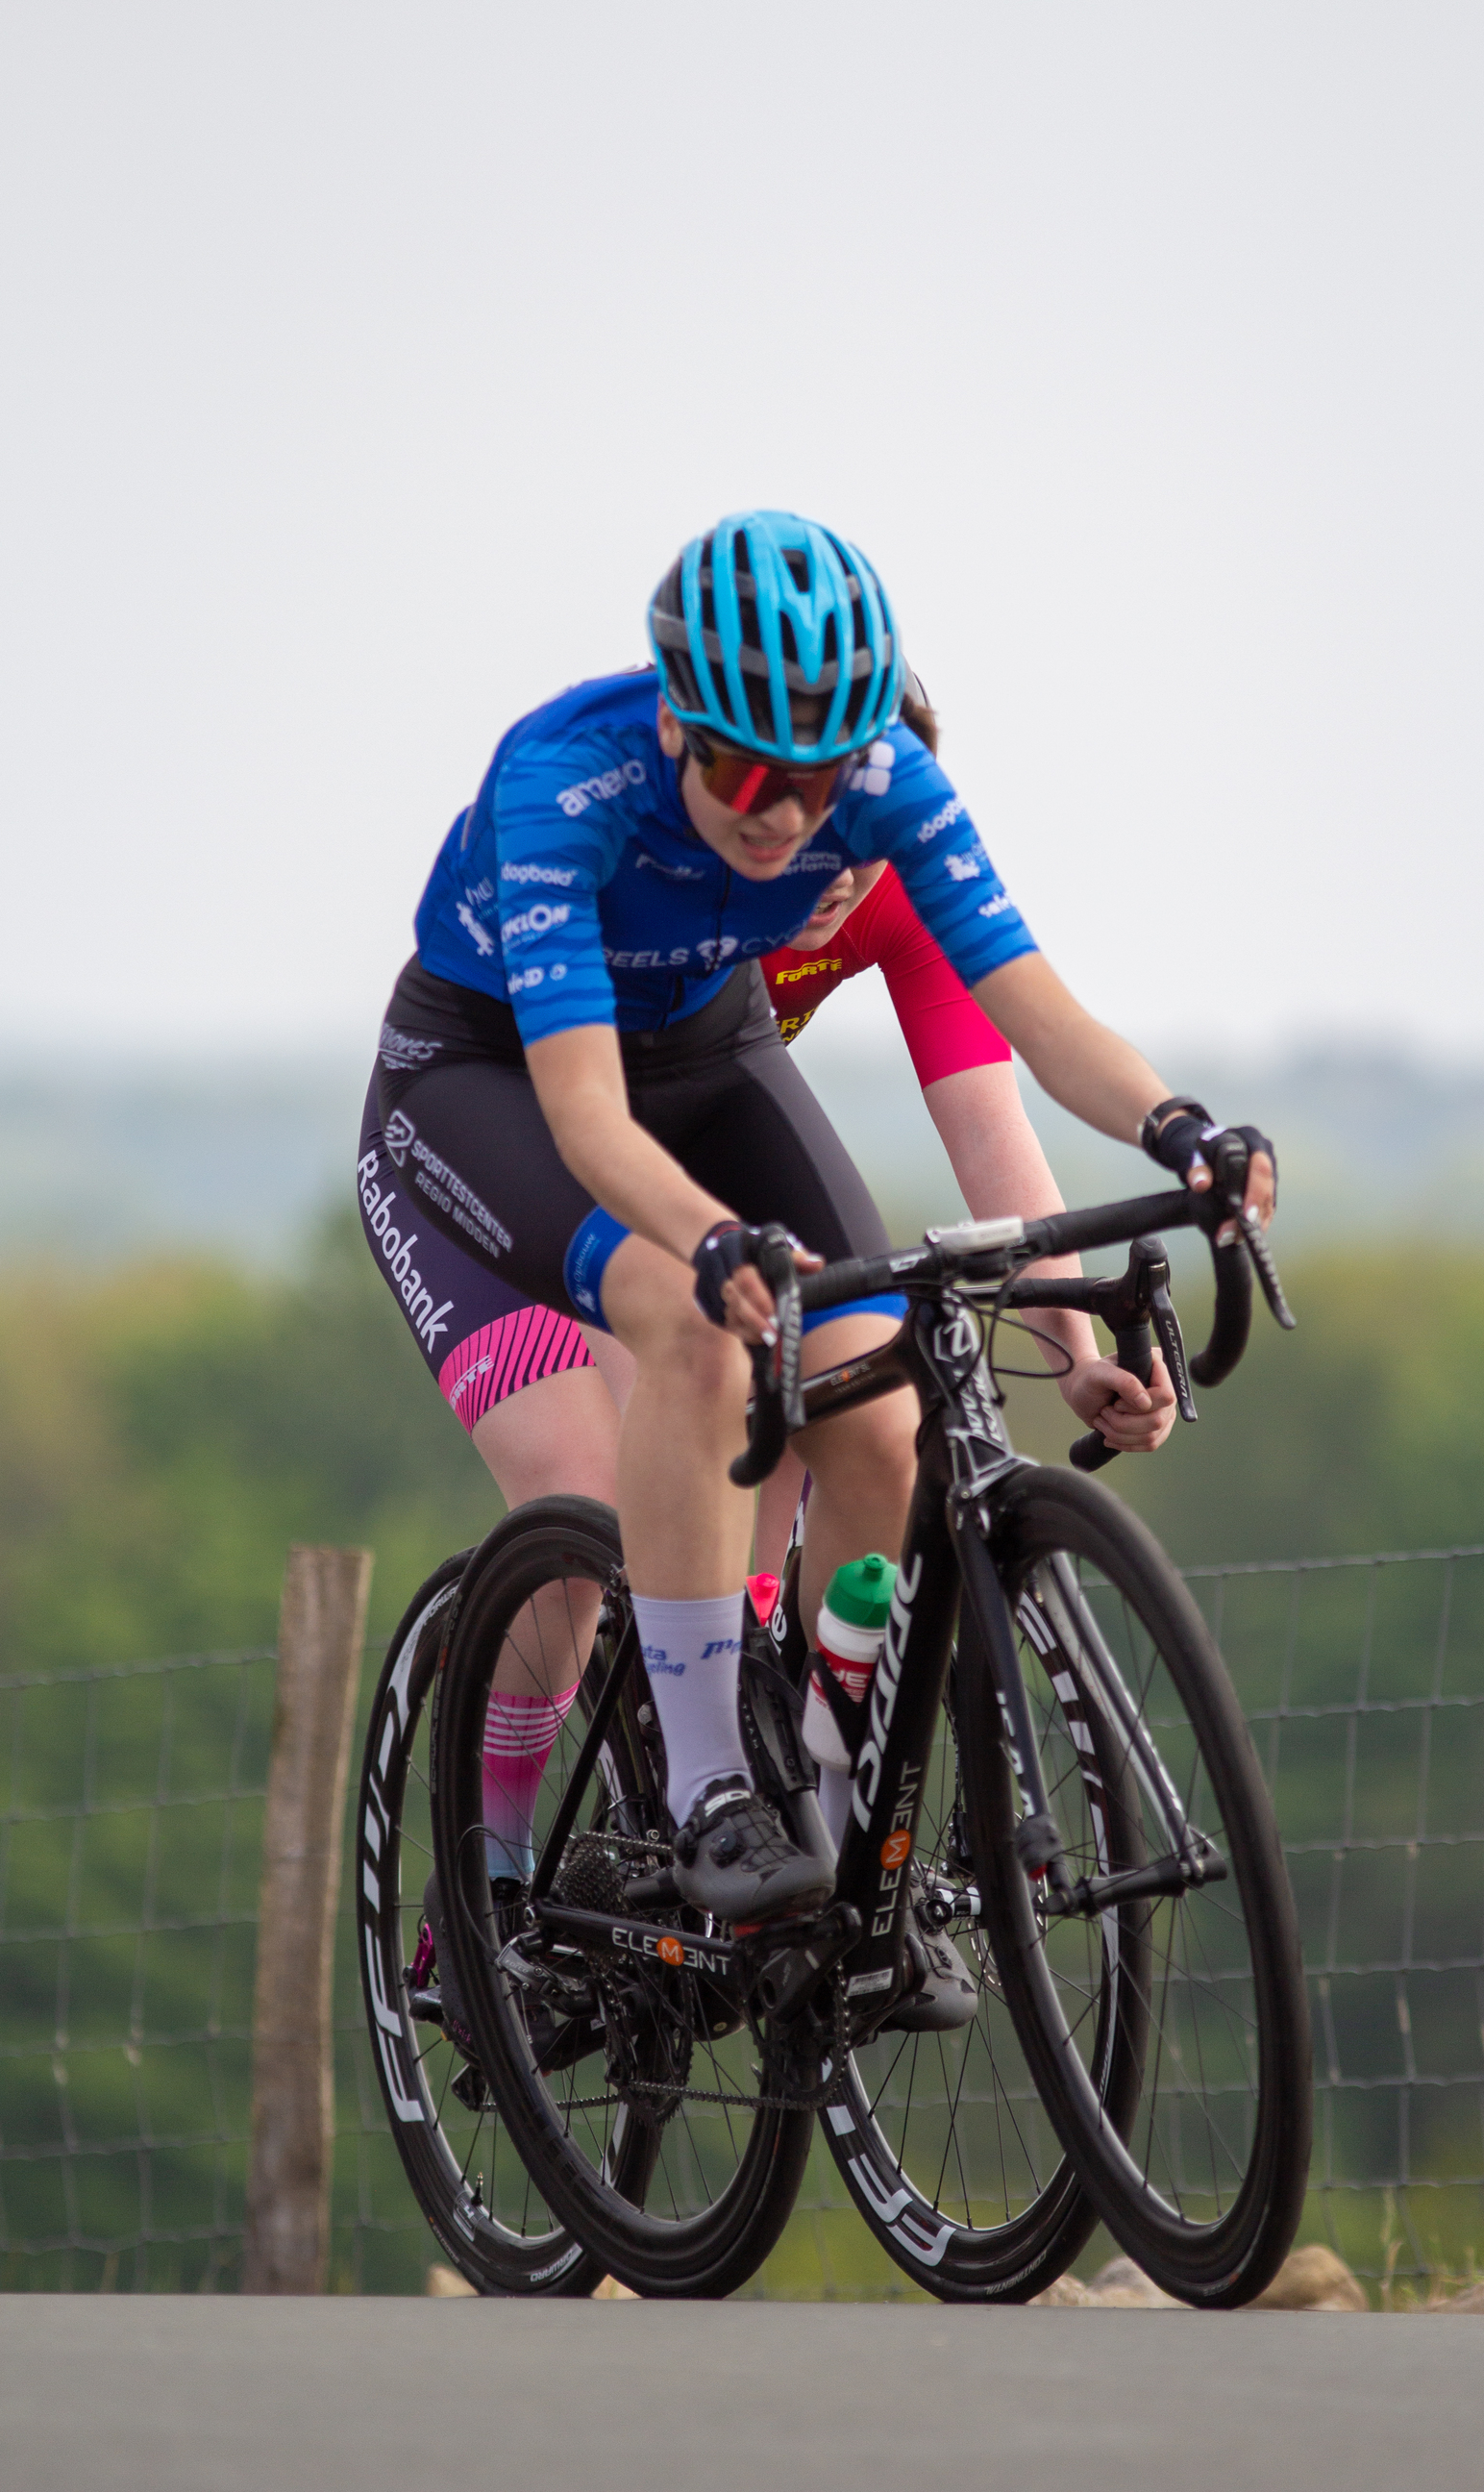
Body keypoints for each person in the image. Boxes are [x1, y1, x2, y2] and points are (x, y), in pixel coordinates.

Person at [357, 509, 1275, 1977]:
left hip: (707, 1051)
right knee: (667, 1352)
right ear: (676, 722)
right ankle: (643, 1816)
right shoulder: (561, 784)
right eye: (742, 774)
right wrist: (719, 1246)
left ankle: (834, 1817)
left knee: (879, 1395)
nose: (784, 818)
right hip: (490, 1083)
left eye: (822, 778)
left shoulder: (884, 790)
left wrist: (1187, 1134)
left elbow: (1034, 1021)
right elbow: (587, 1117)